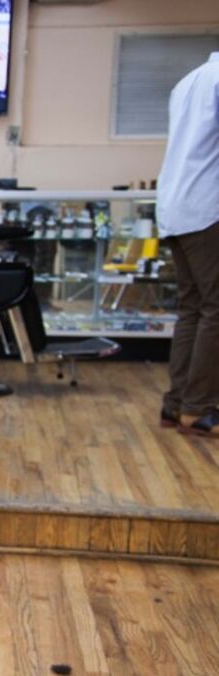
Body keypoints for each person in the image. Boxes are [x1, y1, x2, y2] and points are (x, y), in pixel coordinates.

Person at [156, 51, 219, 437]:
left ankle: (176, 403)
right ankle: (198, 408)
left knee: (193, 308)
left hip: (176, 206)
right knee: (215, 309)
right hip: (208, 207)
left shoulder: (189, 80)